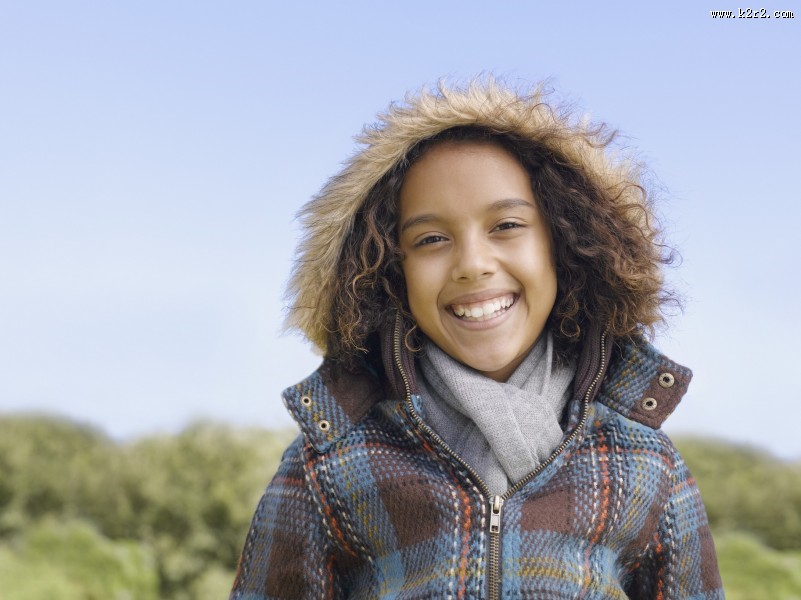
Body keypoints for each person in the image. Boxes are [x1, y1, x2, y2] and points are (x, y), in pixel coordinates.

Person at [230, 80, 723, 599]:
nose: (472, 264)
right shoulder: (329, 462)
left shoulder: (646, 463)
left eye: (507, 225)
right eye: (432, 239)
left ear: (567, 242)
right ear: (388, 270)